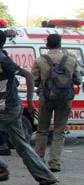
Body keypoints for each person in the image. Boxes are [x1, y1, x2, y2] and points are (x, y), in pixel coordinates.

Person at [0, 29, 58, 185]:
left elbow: (28, 76)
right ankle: (47, 179)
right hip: (11, 106)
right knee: (22, 145)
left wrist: (30, 102)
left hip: (6, 108)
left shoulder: (3, 59)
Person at [32, 33, 82, 173]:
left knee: (42, 130)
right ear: (60, 44)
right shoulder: (71, 60)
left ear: (47, 45)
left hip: (46, 98)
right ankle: (54, 163)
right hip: (65, 99)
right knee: (59, 131)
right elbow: (78, 80)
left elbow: (35, 80)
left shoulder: (40, 60)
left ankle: (38, 160)